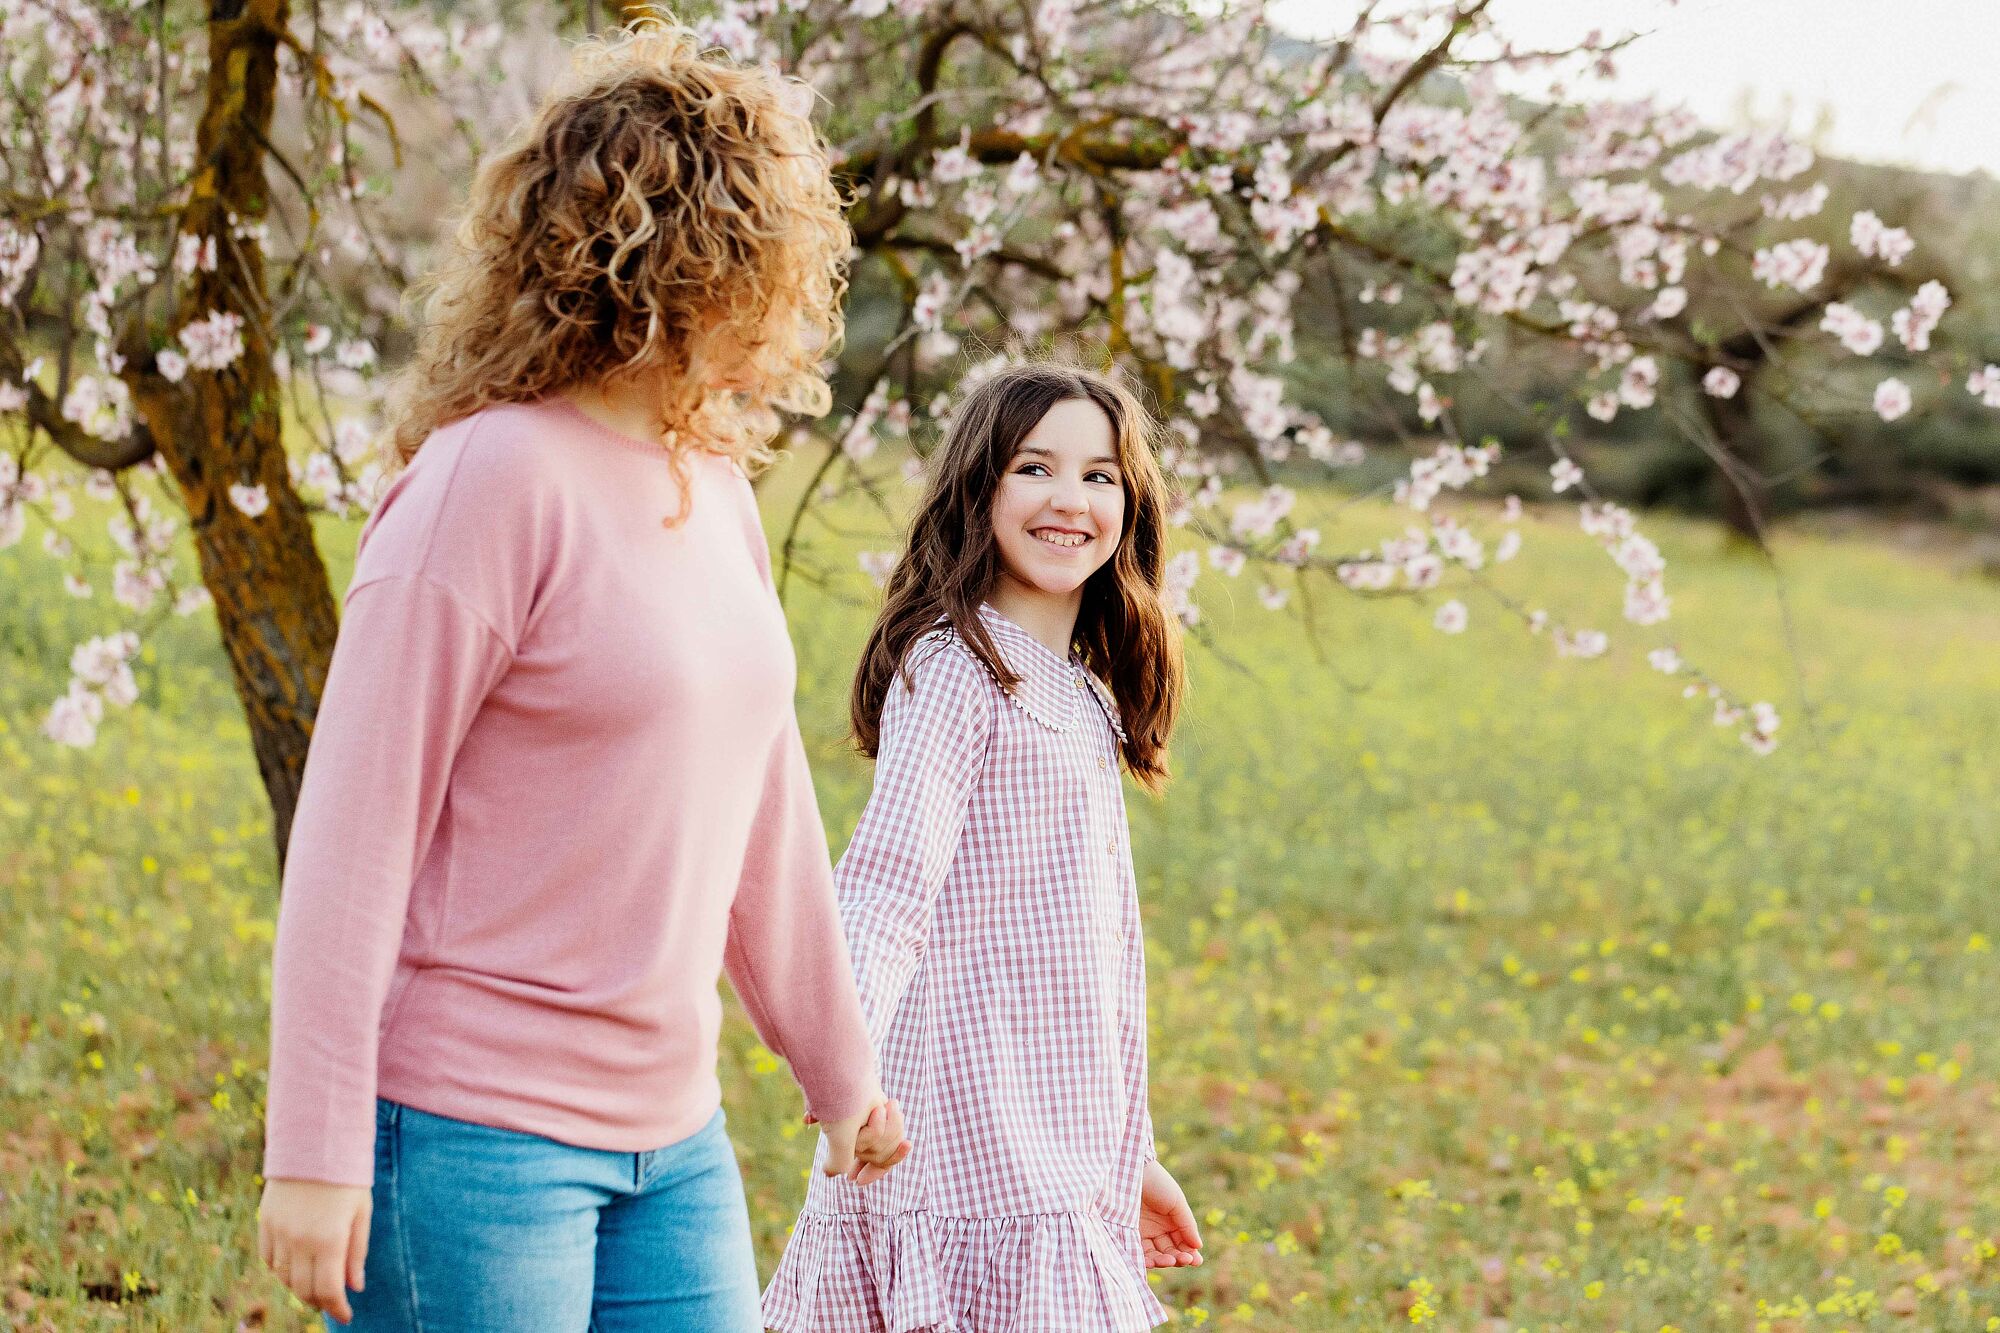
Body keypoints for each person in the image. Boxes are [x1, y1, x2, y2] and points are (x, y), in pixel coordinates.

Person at [256, 21, 905, 1331]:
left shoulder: (711, 488)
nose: (789, 297)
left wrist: (844, 1075)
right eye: (771, 255)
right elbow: (351, 833)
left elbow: (763, 819)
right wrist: (313, 1148)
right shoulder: (486, 481)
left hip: (674, 1143)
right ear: (690, 255)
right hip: (469, 1137)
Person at [761, 363, 1205, 1333]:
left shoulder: (1081, 698)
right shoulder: (957, 668)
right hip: (959, 1145)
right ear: (979, 490)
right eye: (1033, 467)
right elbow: (882, 889)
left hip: (1050, 1146)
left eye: (1098, 475)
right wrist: (842, 1073)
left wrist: (1122, 1151)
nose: (1068, 498)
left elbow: (1085, 971)